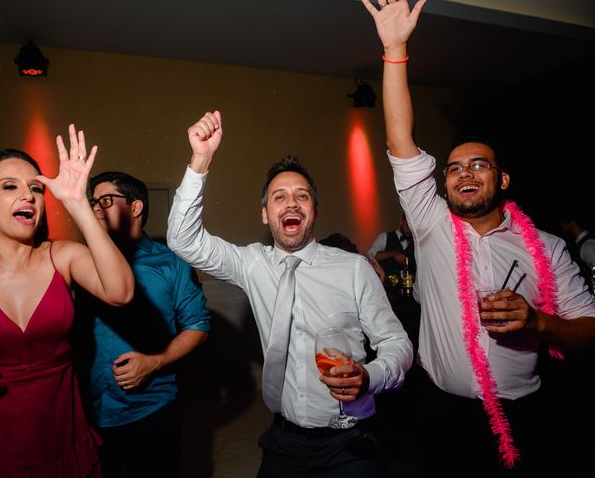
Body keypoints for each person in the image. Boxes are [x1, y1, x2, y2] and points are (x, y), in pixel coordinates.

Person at [361, 0, 595, 476]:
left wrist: (538, 322)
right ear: (443, 183)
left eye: (479, 165)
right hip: (442, 412)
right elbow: (399, 139)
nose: (464, 174)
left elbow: (589, 329)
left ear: (502, 179)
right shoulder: (431, 221)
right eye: (454, 168)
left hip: (525, 415)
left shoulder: (547, 247)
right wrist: (395, 51)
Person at [166, 110, 413, 477]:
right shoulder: (252, 263)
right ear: (266, 214)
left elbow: (398, 344)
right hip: (284, 442)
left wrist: (369, 376)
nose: (292, 203)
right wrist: (200, 160)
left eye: (302, 196)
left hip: (352, 441)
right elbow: (183, 240)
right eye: (279, 197)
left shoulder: (353, 268)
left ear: (314, 211)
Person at [0, 126, 135, 477]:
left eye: (36, 188)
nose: (29, 197)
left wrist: (78, 203)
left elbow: (121, 292)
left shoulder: (62, 256)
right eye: (10, 187)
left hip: (62, 438)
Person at [76, 171, 210, 478]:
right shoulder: (79, 261)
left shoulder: (170, 263)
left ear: (136, 208)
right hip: (89, 410)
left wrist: (155, 362)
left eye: (106, 200)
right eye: (92, 201)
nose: (95, 208)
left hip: (151, 408)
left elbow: (198, 327)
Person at [366, 212, 415, 277]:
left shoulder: (416, 242)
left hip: (410, 285)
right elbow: (370, 256)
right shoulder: (384, 237)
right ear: (401, 221)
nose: (409, 230)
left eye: (412, 227)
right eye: (407, 225)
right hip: (387, 285)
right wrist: (393, 253)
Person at [558, 214, 595, 289]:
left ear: (572, 225)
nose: (563, 230)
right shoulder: (586, 241)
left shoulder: (586, 245)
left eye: (563, 226)